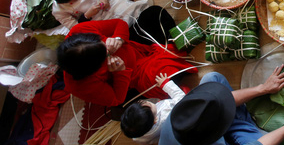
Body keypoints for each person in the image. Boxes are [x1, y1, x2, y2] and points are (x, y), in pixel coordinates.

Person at [57, 19, 196, 107]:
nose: (107, 48)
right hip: (136, 75)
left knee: (153, 14)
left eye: (102, 41)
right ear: (94, 67)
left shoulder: (78, 31)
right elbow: (117, 98)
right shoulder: (79, 86)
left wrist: (118, 39)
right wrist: (120, 73)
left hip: (138, 48)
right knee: (162, 74)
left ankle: (171, 61)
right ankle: (175, 86)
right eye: (104, 54)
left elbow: (119, 24)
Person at [120, 73, 185, 145]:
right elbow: (182, 99)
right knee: (185, 90)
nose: (146, 102)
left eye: (139, 103)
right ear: (155, 120)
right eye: (150, 105)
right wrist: (165, 84)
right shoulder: (165, 113)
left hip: (153, 137)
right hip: (180, 113)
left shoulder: (137, 137)